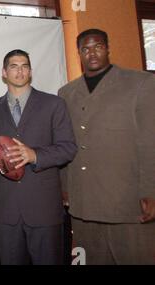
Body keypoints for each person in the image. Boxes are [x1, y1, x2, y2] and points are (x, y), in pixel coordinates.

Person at [58, 29, 155, 265]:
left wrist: (151, 190)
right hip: (83, 203)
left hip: (127, 203)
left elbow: (150, 141)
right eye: (85, 48)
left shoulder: (141, 83)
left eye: (98, 46)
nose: (92, 53)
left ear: (108, 48)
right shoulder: (66, 93)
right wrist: (65, 185)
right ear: (78, 53)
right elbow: (64, 142)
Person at [0, 49, 77, 265]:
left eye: (24, 66)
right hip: (6, 210)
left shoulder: (53, 104)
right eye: (14, 66)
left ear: (30, 71)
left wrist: (35, 155)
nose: (20, 71)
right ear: (4, 72)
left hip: (43, 208)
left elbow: (68, 148)